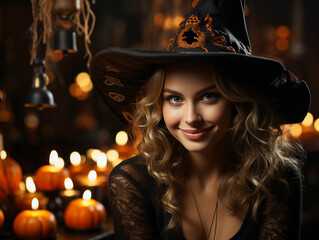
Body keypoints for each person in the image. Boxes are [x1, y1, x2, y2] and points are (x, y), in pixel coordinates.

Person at [89, 0, 311, 239]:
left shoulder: (278, 180)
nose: (191, 118)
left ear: (238, 103)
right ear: (158, 105)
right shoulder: (132, 182)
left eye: (208, 96)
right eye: (174, 99)